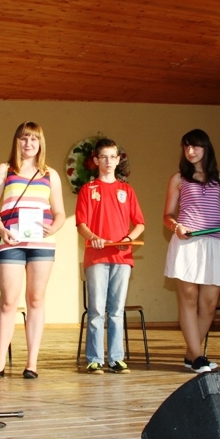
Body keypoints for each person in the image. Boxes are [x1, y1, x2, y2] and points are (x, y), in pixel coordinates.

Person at [0, 121, 66, 379]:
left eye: (33, 139)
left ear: (40, 143)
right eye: (23, 138)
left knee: (36, 300)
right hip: (11, 241)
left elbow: (60, 212)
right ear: (16, 141)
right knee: (8, 301)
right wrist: (1, 229)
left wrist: (53, 228)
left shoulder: (50, 174)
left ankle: (32, 363)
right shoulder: (5, 169)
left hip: (41, 244)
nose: (28, 143)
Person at [164, 129, 220, 374]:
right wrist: (176, 227)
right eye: (186, 147)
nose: (190, 151)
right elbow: (167, 215)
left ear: (206, 147)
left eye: (195, 146)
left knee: (209, 304)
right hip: (188, 244)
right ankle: (198, 356)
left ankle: (191, 354)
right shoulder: (178, 179)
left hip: (213, 244)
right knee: (189, 300)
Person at [76, 138, 145, 374]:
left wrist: (128, 238)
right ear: (96, 160)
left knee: (116, 310)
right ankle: (94, 359)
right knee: (96, 310)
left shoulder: (127, 190)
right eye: (103, 157)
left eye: (112, 157)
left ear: (118, 160)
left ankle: (116, 359)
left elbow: (139, 224)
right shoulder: (88, 190)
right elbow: (81, 224)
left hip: (122, 258)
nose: (108, 161)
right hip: (96, 257)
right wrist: (93, 236)